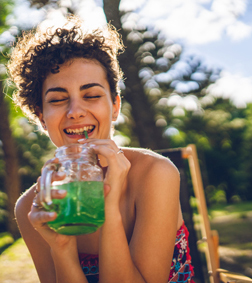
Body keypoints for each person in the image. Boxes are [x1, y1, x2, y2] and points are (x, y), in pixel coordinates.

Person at [8, 15, 195, 283]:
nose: (75, 111)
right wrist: (62, 249)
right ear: (41, 118)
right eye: (59, 99)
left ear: (115, 106)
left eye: (92, 95)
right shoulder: (32, 209)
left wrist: (109, 205)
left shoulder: (155, 174)